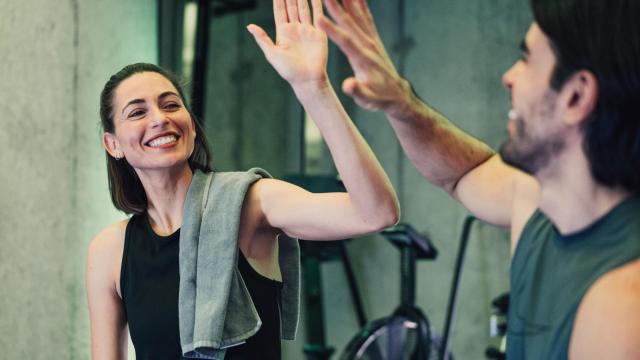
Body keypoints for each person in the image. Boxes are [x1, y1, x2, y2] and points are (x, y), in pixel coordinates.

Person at [317, 0, 640, 358]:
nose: (509, 77)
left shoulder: (622, 305)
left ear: (576, 96)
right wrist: (399, 101)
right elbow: (462, 173)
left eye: (528, 59)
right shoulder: (536, 199)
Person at [85, 0, 400, 359]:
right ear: (113, 145)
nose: (160, 118)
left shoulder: (251, 203)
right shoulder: (110, 251)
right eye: (137, 112)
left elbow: (376, 213)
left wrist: (314, 89)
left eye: (171, 104)